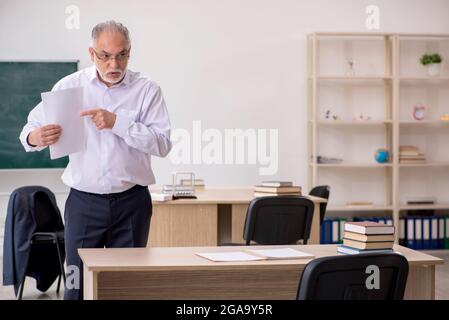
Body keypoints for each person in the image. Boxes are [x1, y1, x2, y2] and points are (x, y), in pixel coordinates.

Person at [19, 20, 172, 300]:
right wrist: (36, 137)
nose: (114, 63)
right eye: (105, 55)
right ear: (92, 54)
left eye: (121, 54)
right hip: (84, 203)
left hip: (132, 203)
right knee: (76, 284)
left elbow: (162, 145)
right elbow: (27, 130)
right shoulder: (69, 86)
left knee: (127, 287)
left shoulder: (147, 90)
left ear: (129, 52)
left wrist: (118, 123)